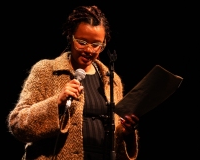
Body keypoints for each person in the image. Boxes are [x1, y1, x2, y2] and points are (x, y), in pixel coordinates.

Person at [7, 5, 140, 160]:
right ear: (70, 36)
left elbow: (116, 140)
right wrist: (56, 102)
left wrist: (126, 133)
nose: (89, 50)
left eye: (96, 45)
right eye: (82, 42)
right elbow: (18, 124)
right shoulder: (46, 70)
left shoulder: (112, 80)